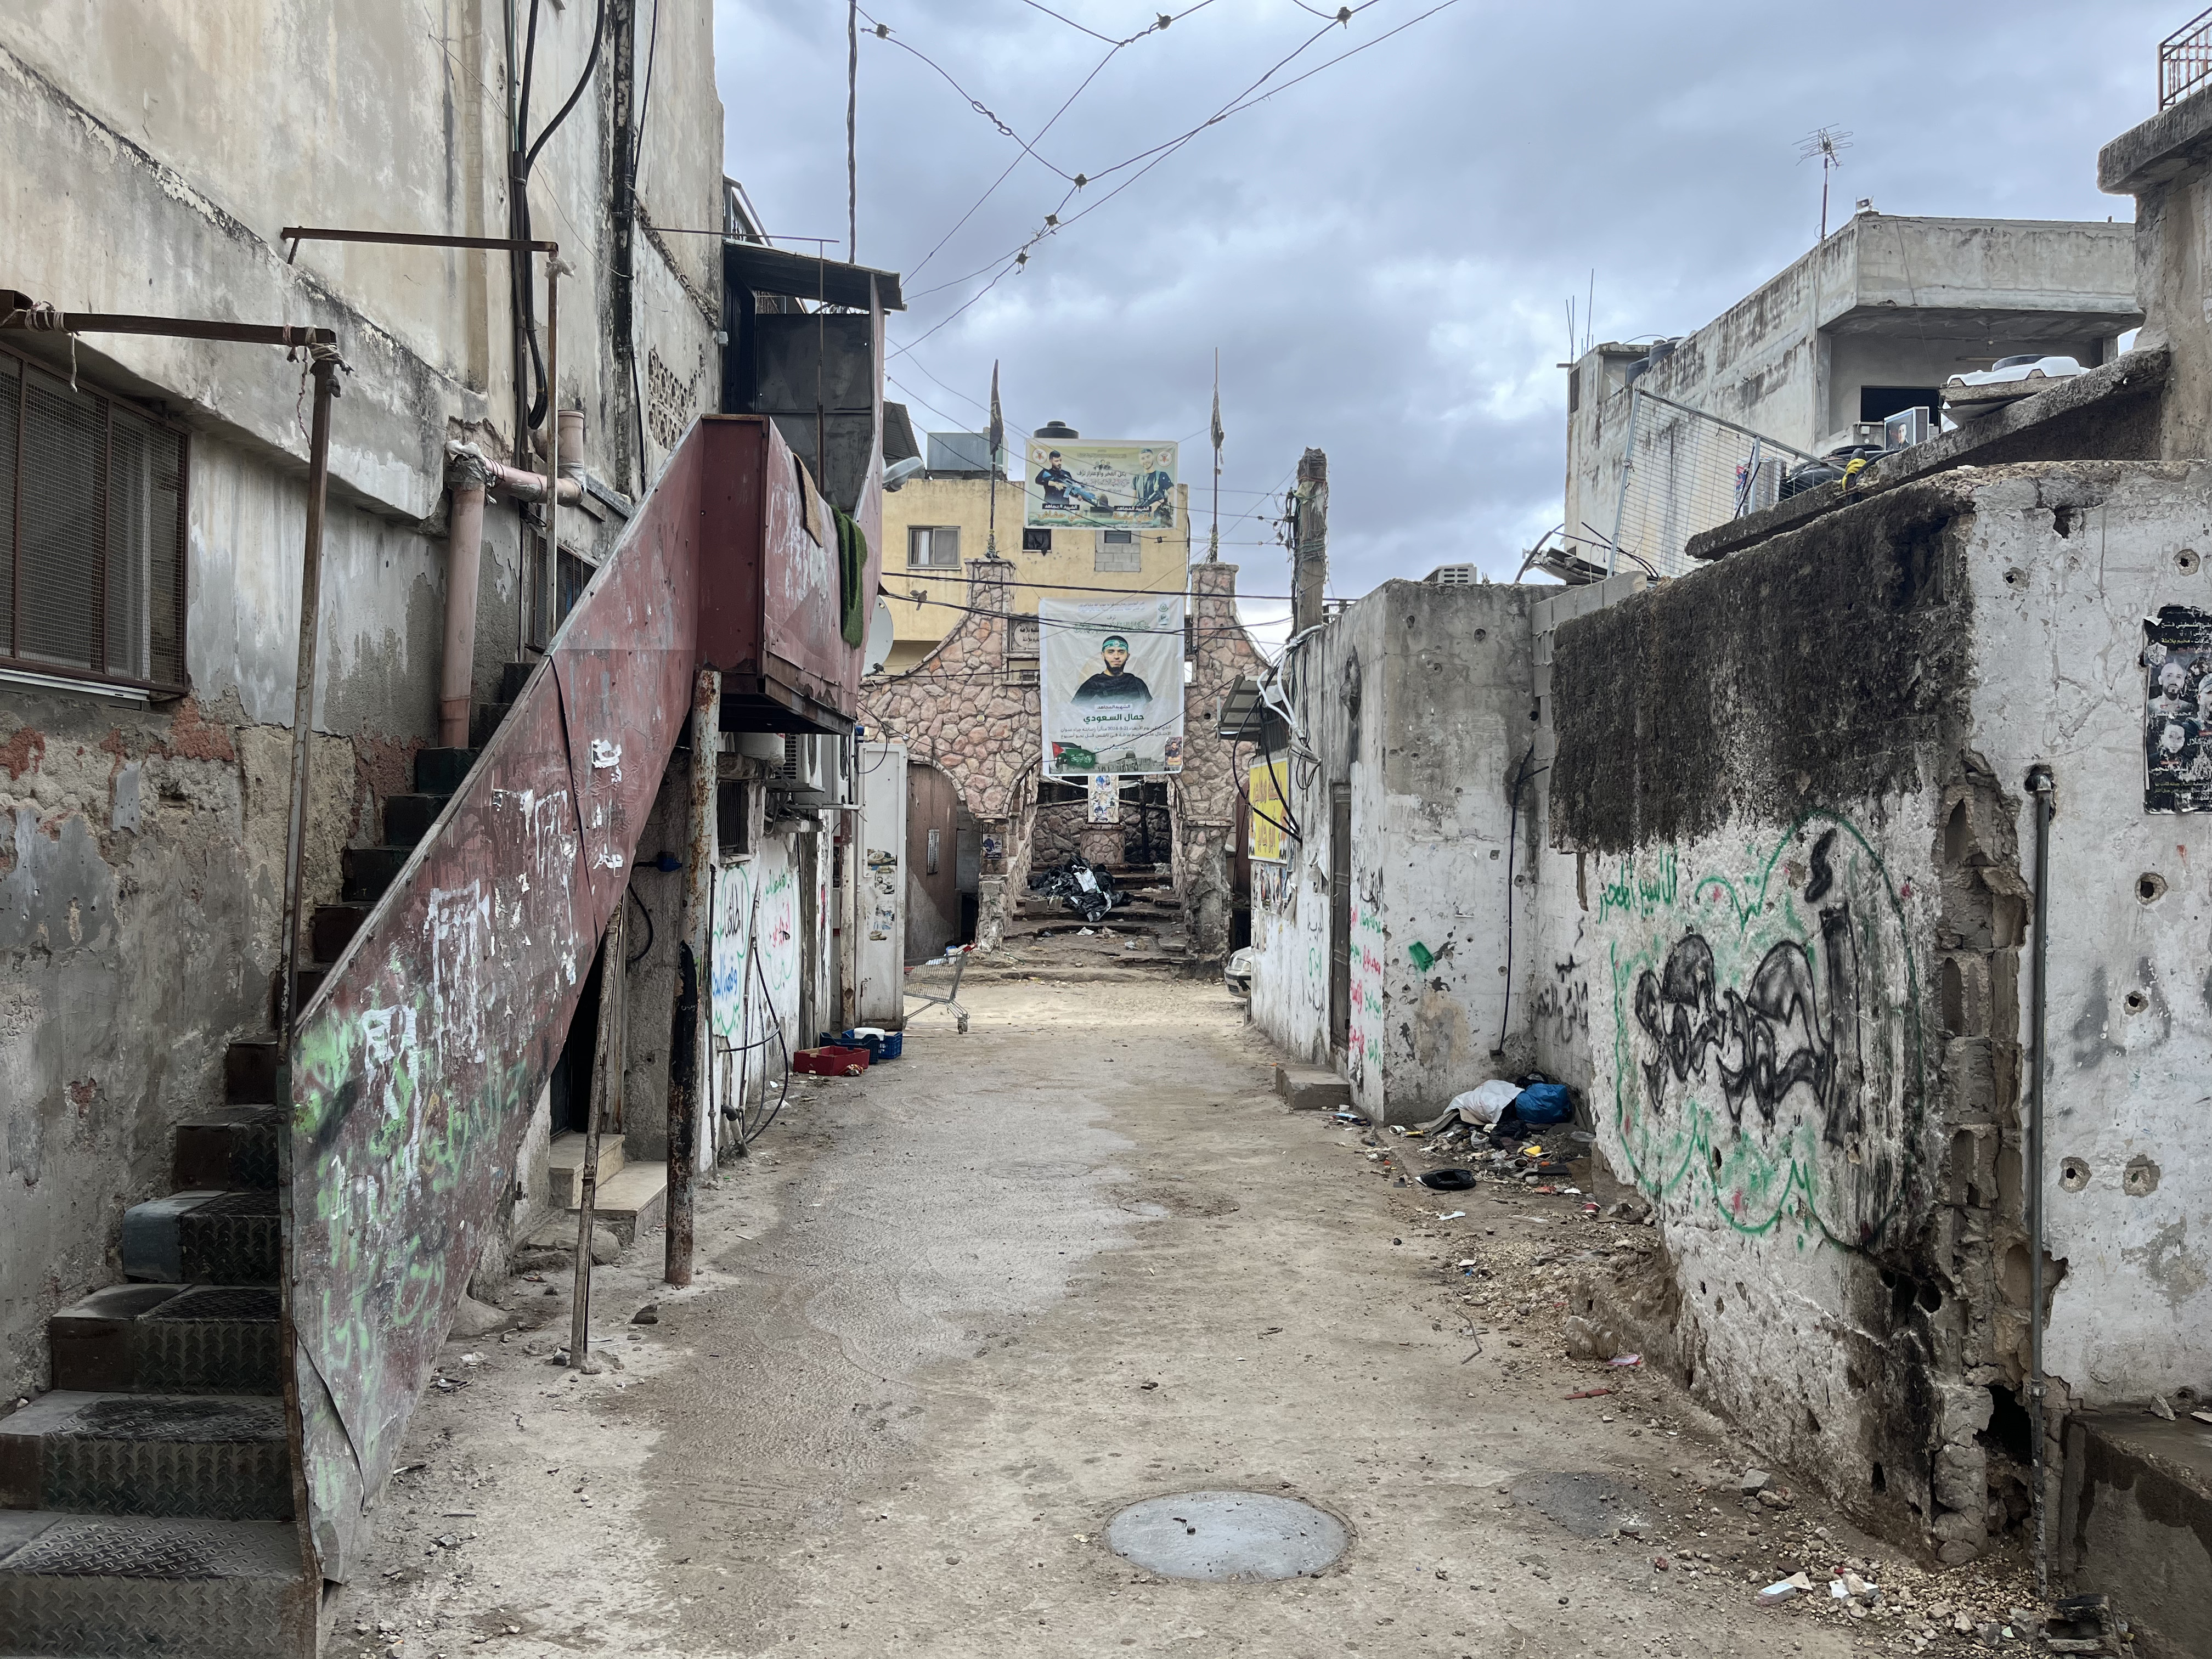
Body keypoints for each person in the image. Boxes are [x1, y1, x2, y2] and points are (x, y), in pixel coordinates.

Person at [1073, 635, 1152, 702]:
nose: (1116, 656)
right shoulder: (1092, 684)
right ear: (1103, 656)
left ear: (1128, 656)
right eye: (1111, 652)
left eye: (1121, 652)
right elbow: (1076, 712)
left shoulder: (1137, 683)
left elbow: (1149, 712)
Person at [1132, 448, 1174, 523]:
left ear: (1153, 458)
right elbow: (1132, 499)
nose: (1146, 460)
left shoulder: (1162, 476)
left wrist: (1160, 502)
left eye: (1148, 457)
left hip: (1159, 519)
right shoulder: (1136, 478)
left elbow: (1174, 494)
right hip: (1140, 519)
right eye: (1143, 458)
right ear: (1140, 461)